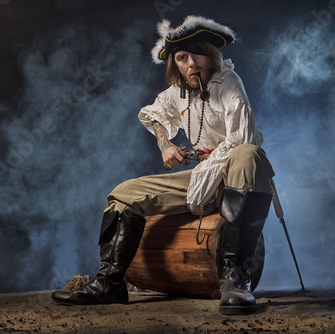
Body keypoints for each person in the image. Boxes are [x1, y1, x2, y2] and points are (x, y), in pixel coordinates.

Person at [51, 15, 276, 315]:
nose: (191, 63)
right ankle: (110, 283)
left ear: (210, 56)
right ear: (175, 64)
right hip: (200, 177)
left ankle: (235, 279)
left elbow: (241, 138)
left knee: (249, 153)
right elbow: (153, 115)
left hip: (234, 177)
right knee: (124, 193)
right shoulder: (176, 93)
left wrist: (207, 172)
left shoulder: (229, 82)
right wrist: (165, 143)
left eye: (197, 54)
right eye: (182, 57)